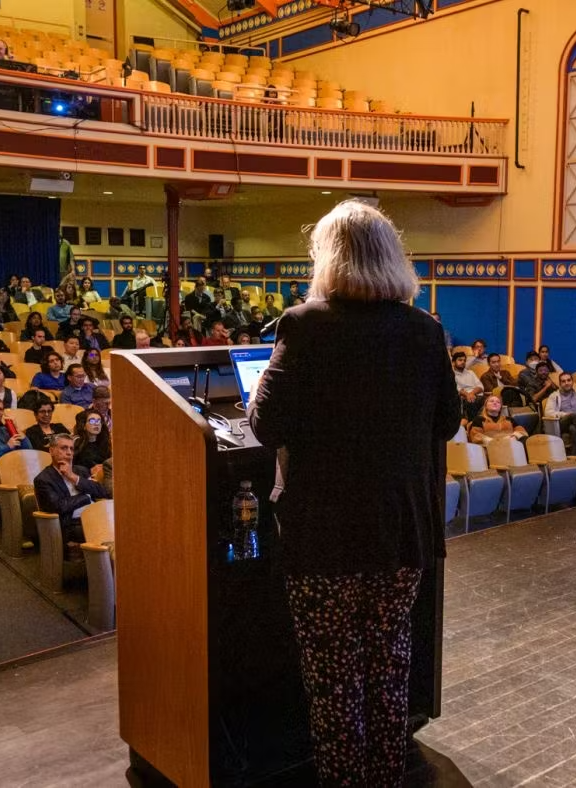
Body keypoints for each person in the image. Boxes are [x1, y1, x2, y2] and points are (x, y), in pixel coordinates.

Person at [247, 201, 461, 787]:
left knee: (335, 673)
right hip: (402, 532)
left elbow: (266, 425)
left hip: (327, 534)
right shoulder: (425, 329)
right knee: (389, 664)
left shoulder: (305, 325)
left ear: (328, 257)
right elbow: (447, 421)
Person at [32, 432, 107, 547]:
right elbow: (58, 506)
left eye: (71, 449)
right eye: (64, 448)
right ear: (51, 451)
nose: (69, 452)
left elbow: (101, 491)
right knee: (108, 529)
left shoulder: (80, 471)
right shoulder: (43, 479)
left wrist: (73, 477)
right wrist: (85, 498)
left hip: (95, 515)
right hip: (72, 524)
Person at [72, 408, 110, 473]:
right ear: (83, 425)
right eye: (92, 421)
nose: (96, 424)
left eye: (98, 421)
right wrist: (89, 471)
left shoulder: (105, 442)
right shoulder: (75, 442)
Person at [451, 351, 484, 420]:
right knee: (471, 402)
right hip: (462, 398)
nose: (463, 362)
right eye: (460, 360)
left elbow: (481, 387)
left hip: (477, 396)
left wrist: (471, 393)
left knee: (493, 400)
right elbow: (457, 389)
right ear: (453, 362)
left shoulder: (470, 373)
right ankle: (472, 424)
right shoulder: (451, 375)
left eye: (464, 360)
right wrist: (467, 395)